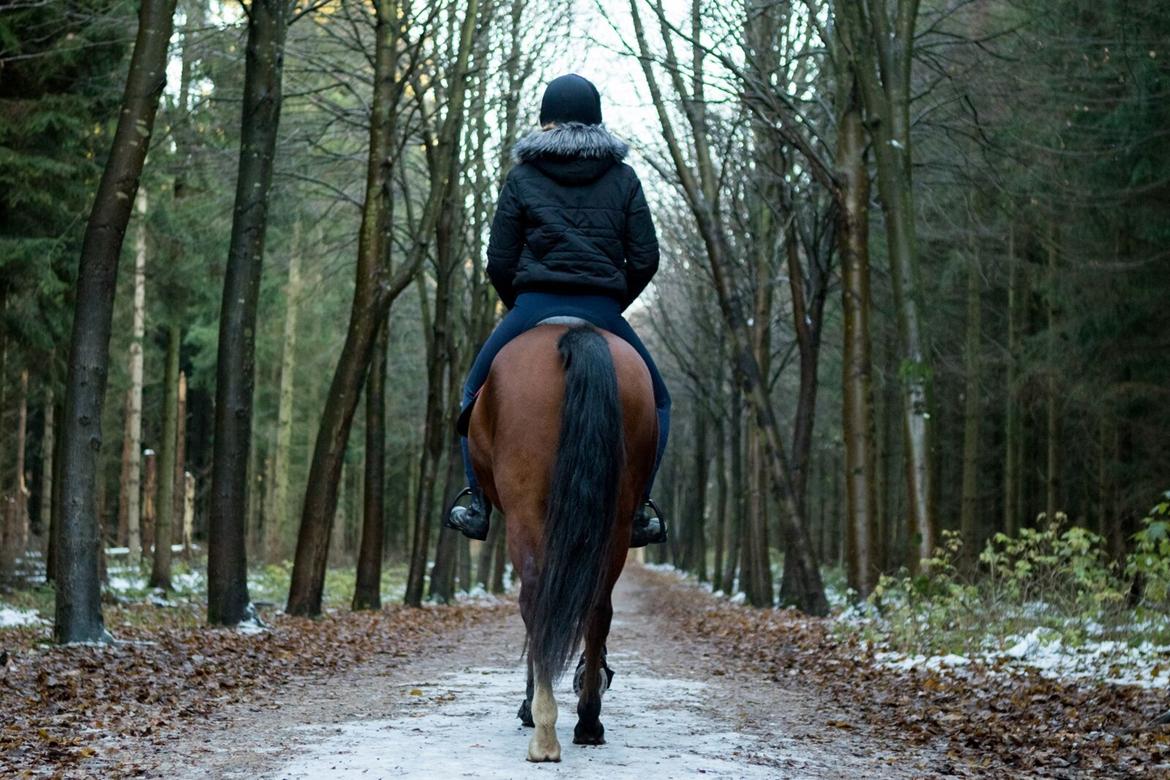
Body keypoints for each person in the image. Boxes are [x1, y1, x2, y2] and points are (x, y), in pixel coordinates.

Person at [445, 73, 671, 548]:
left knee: (472, 394)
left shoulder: (523, 176)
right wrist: (612, 303)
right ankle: (639, 509)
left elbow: (499, 260)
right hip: (604, 310)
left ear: (546, 120)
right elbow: (645, 258)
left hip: (533, 306)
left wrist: (521, 308)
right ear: (598, 121)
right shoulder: (623, 178)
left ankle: (476, 505)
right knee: (660, 401)